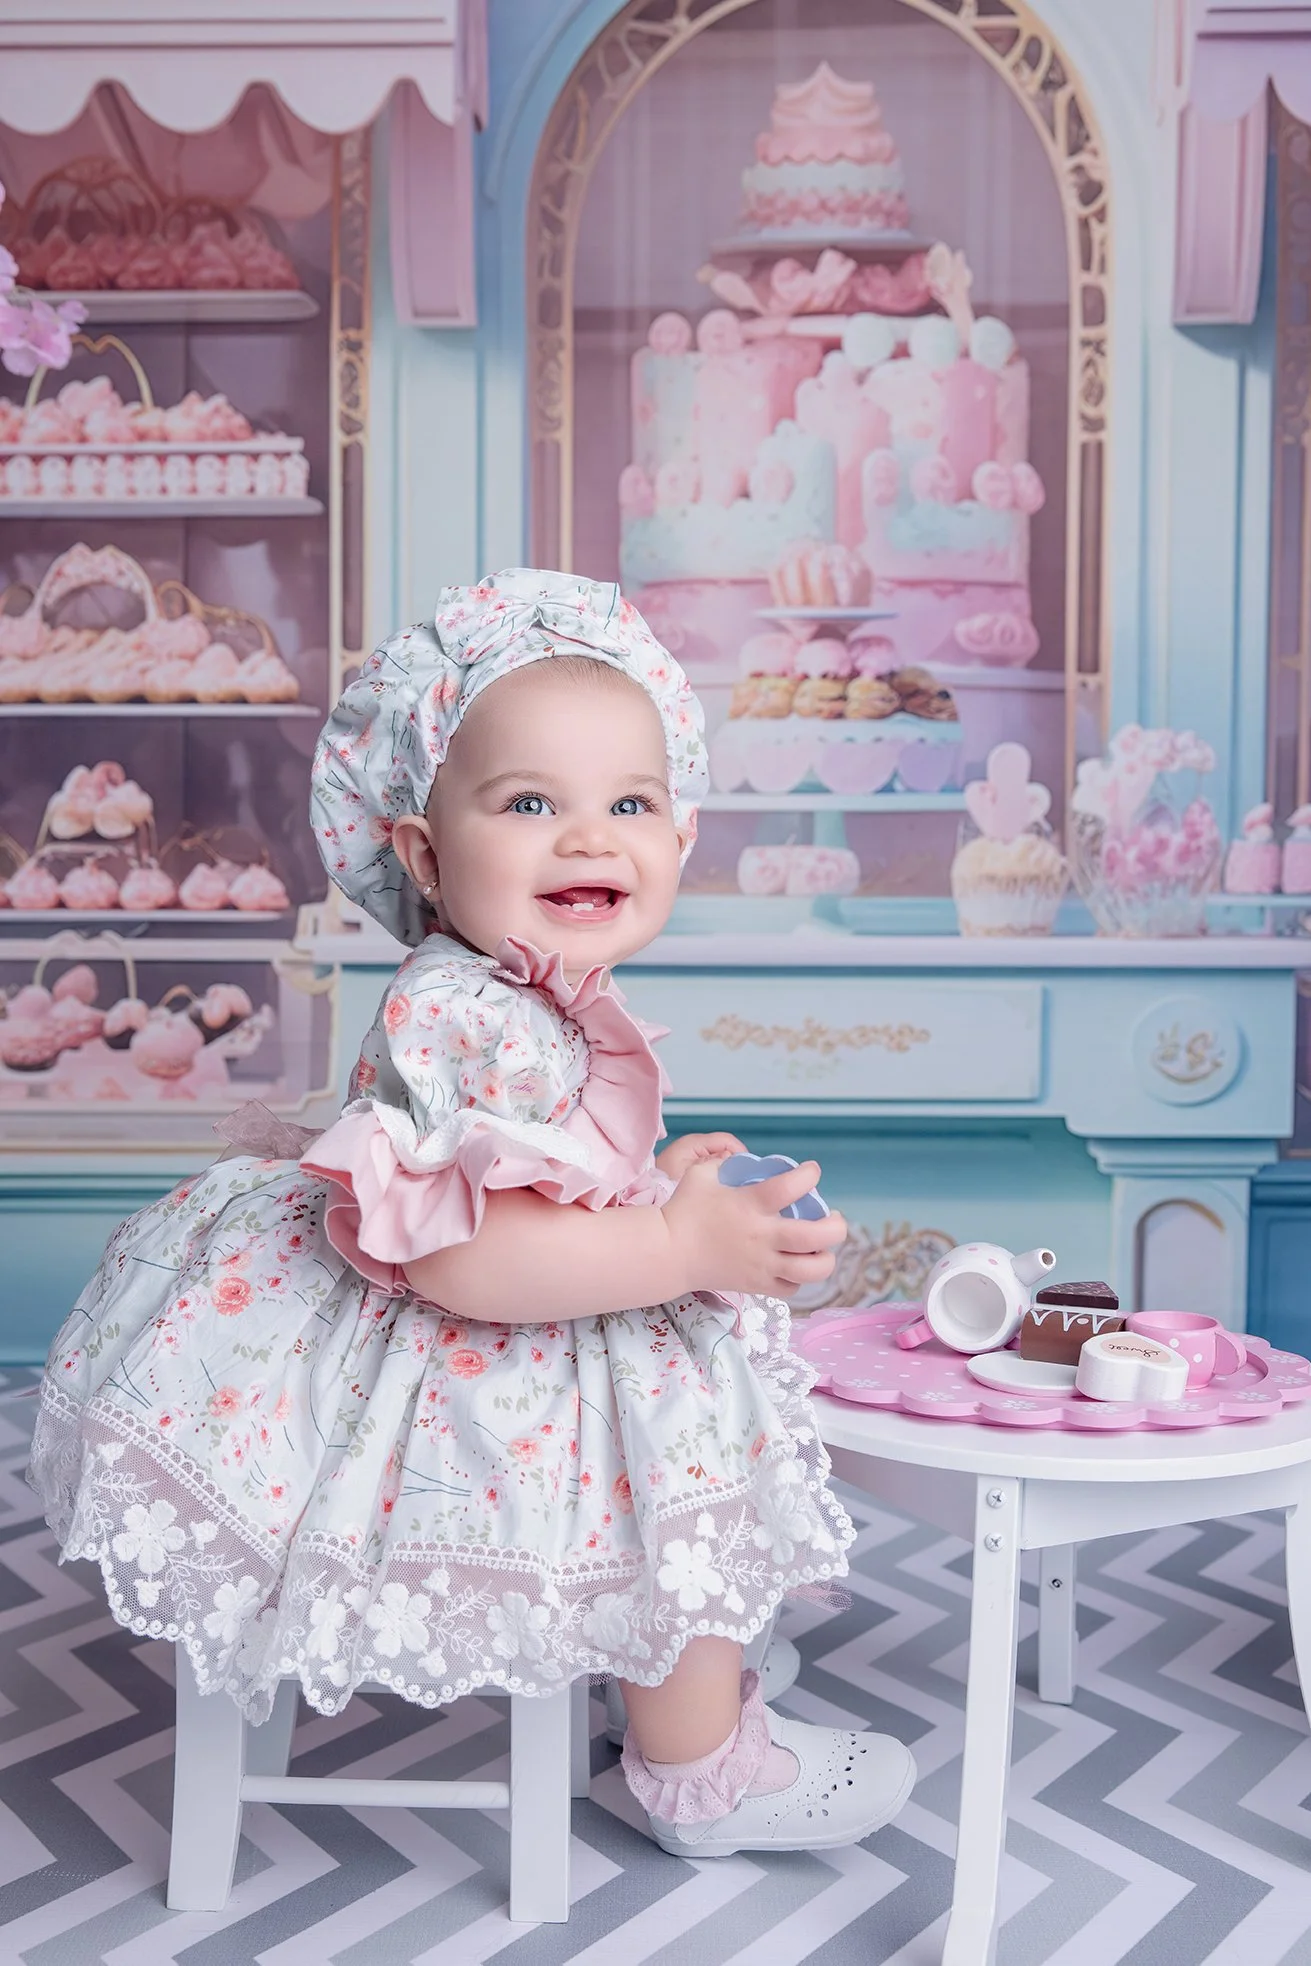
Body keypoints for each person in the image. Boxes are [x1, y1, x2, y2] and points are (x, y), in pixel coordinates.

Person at [28, 568, 915, 1858]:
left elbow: (540, 1172)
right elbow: (466, 1258)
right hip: (443, 1341)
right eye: (530, 803)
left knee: (686, 1392)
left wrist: (666, 1182)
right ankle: (699, 1770)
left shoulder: (524, 992)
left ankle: (673, 1678)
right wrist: (679, 1243)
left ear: (680, 836)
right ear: (425, 854)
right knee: (674, 1437)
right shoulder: (460, 1014)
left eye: (630, 803)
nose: (590, 837)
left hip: (495, 1298)